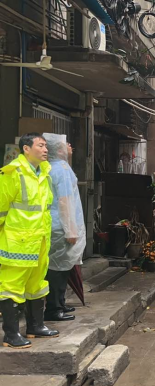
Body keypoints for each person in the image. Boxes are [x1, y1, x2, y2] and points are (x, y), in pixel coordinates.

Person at [0, 133, 59, 349]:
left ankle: (35, 326)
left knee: (37, 284)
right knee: (11, 286)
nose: (45, 150)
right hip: (17, 242)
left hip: (40, 240)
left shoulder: (44, 173)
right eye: (40, 145)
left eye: (46, 146)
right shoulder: (12, 173)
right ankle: (11, 334)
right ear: (26, 148)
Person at [44, 134, 86, 322]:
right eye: (65, 143)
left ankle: (59, 303)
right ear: (60, 149)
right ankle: (54, 308)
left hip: (57, 224)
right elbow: (64, 201)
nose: (70, 145)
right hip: (61, 226)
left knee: (61, 267)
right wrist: (70, 230)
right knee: (58, 269)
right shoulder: (61, 169)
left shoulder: (54, 167)